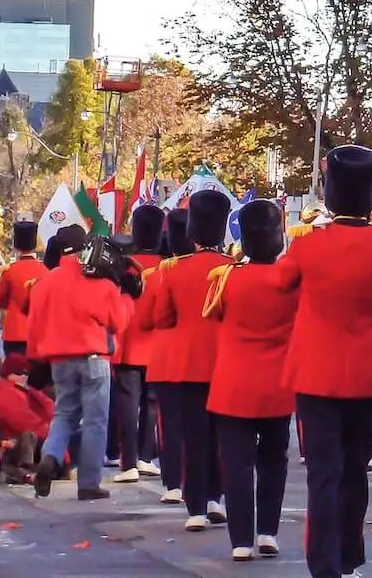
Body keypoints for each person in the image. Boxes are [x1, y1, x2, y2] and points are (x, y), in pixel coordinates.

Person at [276, 145, 372, 578]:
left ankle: (324, 565)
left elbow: (279, 283)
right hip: (368, 375)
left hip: (316, 375)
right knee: (355, 471)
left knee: (323, 475)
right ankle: (349, 557)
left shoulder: (309, 246)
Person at [205, 199, 296, 562]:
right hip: (277, 384)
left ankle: (241, 540)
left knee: (237, 463)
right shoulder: (289, 280)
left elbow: (214, 318)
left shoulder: (225, 277)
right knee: (274, 459)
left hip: (233, 384)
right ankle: (268, 532)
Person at [28, 224, 136, 500]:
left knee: (63, 414)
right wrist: (127, 298)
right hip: (93, 356)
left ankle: (50, 457)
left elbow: (35, 324)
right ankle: (88, 483)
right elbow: (118, 322)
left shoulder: (45, 282)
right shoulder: (100, 280)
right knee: (95, 421)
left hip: (59, 358)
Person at [153, 191, 234, 530]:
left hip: (188, 363)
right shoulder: (232, 269)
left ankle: (196, 506)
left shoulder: (173, 270)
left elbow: (161, 316)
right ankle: (216, 496)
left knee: (194, 435)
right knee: (223, 434)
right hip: (226, 362)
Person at [109, 205, 165, 483]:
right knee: (152, 403)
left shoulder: (122, 264)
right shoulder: (166, 266)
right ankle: (145, 457)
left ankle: (128, 460)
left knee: (128, 404)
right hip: (154, 344)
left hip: (125, 340)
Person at [140, 207, 191, 504]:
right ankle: (208, 489)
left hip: (168, 359)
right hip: (204, 360)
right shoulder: (220, 270)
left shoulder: (160, 274)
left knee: (170, 423)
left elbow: (147, 319)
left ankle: (174, 483)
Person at [0, 220, 46, 355]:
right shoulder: (45, 270)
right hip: (39, 332)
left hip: (14, 332)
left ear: (16, 245)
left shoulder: (9, 271)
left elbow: (0, 300)